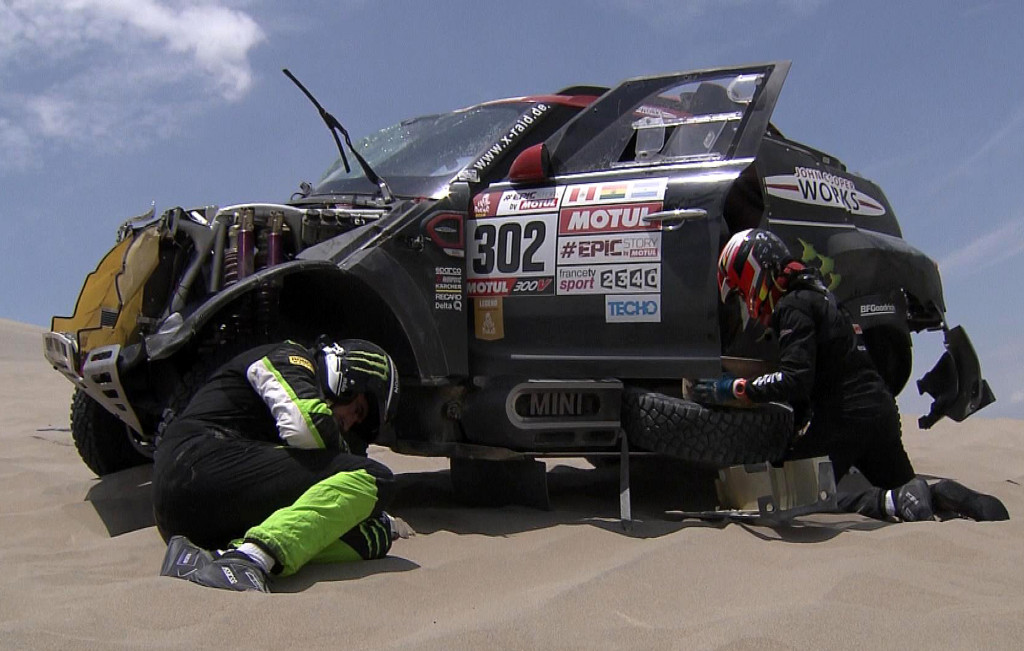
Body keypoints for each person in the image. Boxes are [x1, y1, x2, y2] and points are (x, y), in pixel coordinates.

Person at [695, 229, 1008, 523]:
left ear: (753, 273)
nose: (746, 305)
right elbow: (816, 377)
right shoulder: (822, 296)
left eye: (741, 292)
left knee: (799, 497)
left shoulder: (792, 307)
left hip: (845, 417)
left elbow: (796, 379)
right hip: (880, 410)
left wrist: (737, 388)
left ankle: (885, 502)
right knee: (911, 493)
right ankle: (942, 494)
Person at [154, 336, 410, 592]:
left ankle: (214, 555)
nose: (350, 422)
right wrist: (351, 465)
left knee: (371, 538)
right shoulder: (290, 358)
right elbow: (304, 427)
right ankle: (249, 559)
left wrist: (373, 517)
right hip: (194, 463)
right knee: (375, 478)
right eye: (358, 410)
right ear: (348, 381)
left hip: (194, 515)